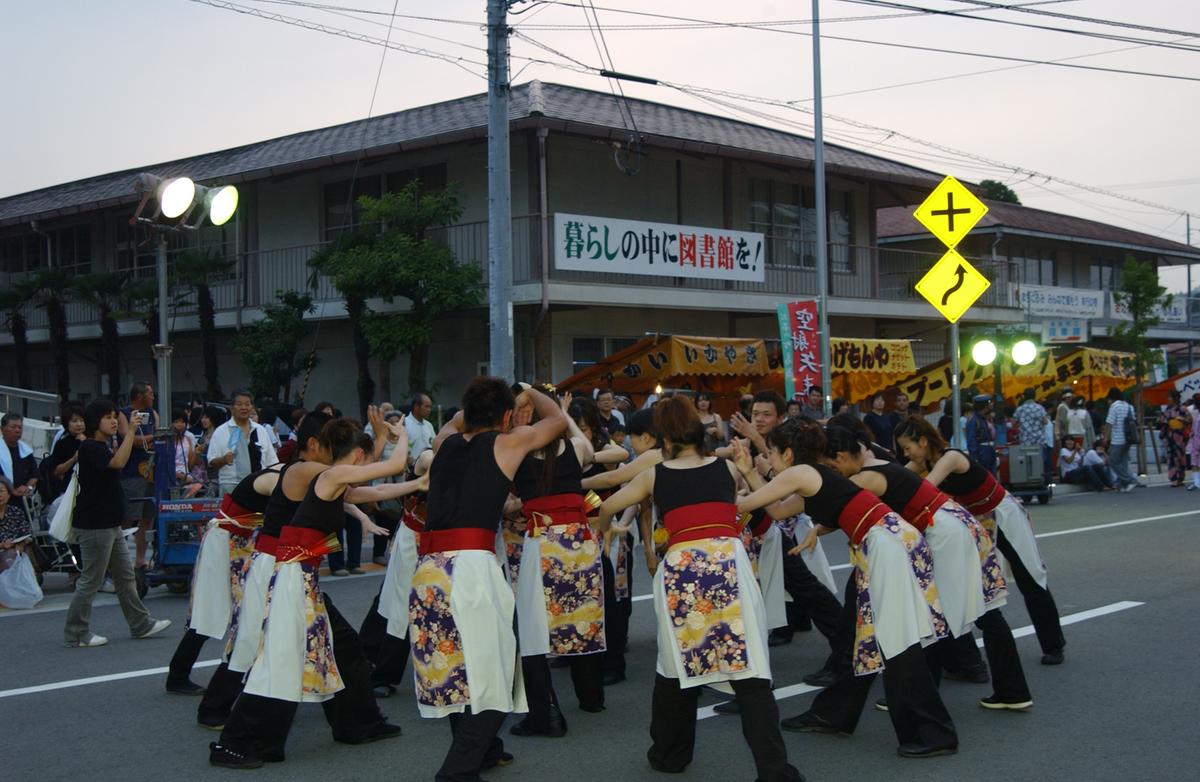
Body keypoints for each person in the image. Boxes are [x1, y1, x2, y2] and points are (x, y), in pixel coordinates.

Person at [596, 396, 802, 781]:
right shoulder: (726, 468)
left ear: (665, 436)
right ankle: (775, 770)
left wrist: (605, 529)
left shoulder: (654, 474)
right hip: (728, 561)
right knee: (750, 668)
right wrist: (747, 469)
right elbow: (762, 500)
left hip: (682, 566)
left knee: (675, 664)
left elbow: (610, 505)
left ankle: (670, 754)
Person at [737, 418, 957, 759]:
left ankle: (936, 731)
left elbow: (749, 505)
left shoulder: (802, 473)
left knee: (898, 641)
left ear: (789, 453)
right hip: (884, 544)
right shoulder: (811, 477)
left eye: (774, 452)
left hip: (885, 546)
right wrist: (750, 472)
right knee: (879, 639)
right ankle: (850, 715)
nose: (772, 460)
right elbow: (778, 511)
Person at [210, 417, 412, 768]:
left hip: (298, 574)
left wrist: (421, 481)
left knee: (344, 645)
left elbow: (374, 489)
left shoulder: (328, 478)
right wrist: (401, 435)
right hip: (285, 574)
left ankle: (359, 723)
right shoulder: (308, 471)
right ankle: (236, 742)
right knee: (278, 660)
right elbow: (389, 467)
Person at [403, 378, 567, 782]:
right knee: (494, 670)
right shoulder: (507, 443)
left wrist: (475, 407)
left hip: (429, 569)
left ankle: (486, 751)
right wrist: (530, 390)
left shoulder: (443, 444)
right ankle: (457, 771)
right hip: (470, 569)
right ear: (508, 416)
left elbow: (456, 422)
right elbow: (558, 418)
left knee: (457, 667)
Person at [830, 426, 1031, 711]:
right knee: (965, 613)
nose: (907, 453)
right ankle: (1008, 690)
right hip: (953, 526)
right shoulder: (884, 464)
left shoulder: (869, 475)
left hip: (945, 533)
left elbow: (836, 502)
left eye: (908, 446)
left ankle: (923, 695)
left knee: (938, 614)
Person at [894, 416, 1066, 666]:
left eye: (907, 447)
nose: (906, 453)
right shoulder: (923, 461)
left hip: (1002, 515)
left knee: (1029, 576)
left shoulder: (950, 458)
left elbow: (922, 490)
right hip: (976, 524)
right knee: (972, 585)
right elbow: (896, 479)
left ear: (922, 441)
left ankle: (1054, 644)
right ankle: (964, 658)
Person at [198, 411, 332, 730]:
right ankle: (214, 706)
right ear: (314, 446)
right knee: (234, 629)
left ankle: (347, 714)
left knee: (250, 633)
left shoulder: (303, 474)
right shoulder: (283, 476)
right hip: (247, 550)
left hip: (276, 560)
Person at [508, 388, 605, 738]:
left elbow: (507, 503)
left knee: (533, 630)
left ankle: (545, 714)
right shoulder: (574, 447)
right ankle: (592, 697)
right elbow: (591, 450)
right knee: (583, 619)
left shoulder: (514, 451)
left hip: (542, 542)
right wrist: (563, 419)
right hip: (580, 541)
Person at [64, 399, 172, 648]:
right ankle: (77, 632)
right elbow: (119, 463)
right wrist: (131, 431)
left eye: (115, 416)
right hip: (95, 525)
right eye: (108, 417)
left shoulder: (101, 445)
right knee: (91, 580)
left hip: (110, 524)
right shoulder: (91, 447)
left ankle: (140, 624)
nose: (114, 421)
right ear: (95, 422)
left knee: (125, 577)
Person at [117, 382, 160, 570]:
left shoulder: (153, 414)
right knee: (128, 515)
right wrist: (149, 439)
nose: (153, 397)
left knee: (146, 518)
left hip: (150, 471)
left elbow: (158, 436)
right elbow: (130, 439)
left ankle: (140, 560)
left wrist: (147, 440)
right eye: (150, 393)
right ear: (140, 395)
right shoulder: (123, 414)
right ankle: (119, 559)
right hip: (131, 471)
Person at [207, 390, 279, 497]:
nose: (244, 408)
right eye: (239, 404)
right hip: (231, 486)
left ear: (252, 407)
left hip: (259, 485)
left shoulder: (260, 430)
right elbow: (211, 461)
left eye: (247, 404)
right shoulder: (221, 431)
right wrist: (223, 460)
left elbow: (272, 462)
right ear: (231, 408)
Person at [1, 413, 38, 527]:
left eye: (20, 427)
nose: (17, 430)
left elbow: (35, 474)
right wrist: (10, 489)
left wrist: (28, 487)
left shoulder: (25, 450)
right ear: (2, 429)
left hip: (22, 498)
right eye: (13, 427)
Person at [1102, 387, 1139, 493]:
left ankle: (1130, 480)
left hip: (1118, 439)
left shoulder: (1114, 407)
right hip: (1128, 438)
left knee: (1113, 461)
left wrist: (1105, 437)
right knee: (1122, 462)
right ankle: (1121, 484)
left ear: (1111, 398)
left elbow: (1109, 423)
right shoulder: (1129, 406)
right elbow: (1133, 421)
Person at [1158, 390, 1191, 487]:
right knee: (1171, 457)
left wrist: (1181, 420)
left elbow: (1189, 420)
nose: (1168, 399)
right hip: (1170, 435)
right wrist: (1163, 421)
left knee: (1180, 456)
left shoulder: (1183, 409)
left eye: (1170, 397)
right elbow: (1161, 420)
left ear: (1175, 398)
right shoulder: (1167, 410)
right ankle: (1174, 478)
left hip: (1180, 436)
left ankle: (1180, 477)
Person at [0, 476, 33, 556]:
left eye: (1, 491)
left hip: (18, 552)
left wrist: (21, 543)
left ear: (8, 495)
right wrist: (2, 545)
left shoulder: (16, 511)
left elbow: (27, 533)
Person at [405, 393, 436, 462]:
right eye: (426, 406)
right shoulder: (405, 424)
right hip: (411, 469)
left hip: (429, 467)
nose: (429, 410)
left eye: (430, 407)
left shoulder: (429, 425)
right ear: (416, 407)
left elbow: (434, 445)